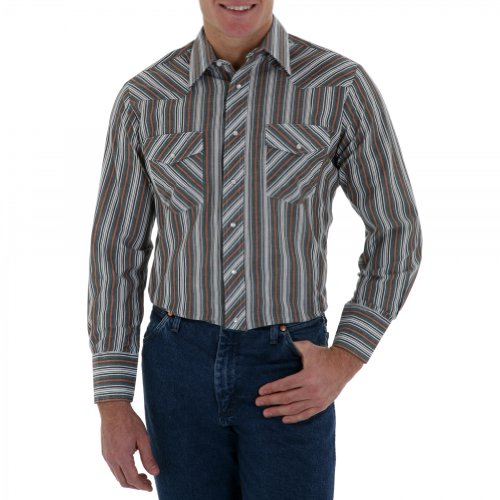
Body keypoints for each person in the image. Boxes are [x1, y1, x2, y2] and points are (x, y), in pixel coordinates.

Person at [86, 1, 423, 499]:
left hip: (289, 366)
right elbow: (116, 250)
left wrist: (348, 354)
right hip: (178, 369)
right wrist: (113, 400)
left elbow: (397, 229)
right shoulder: (146, 97)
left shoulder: (339, 87)